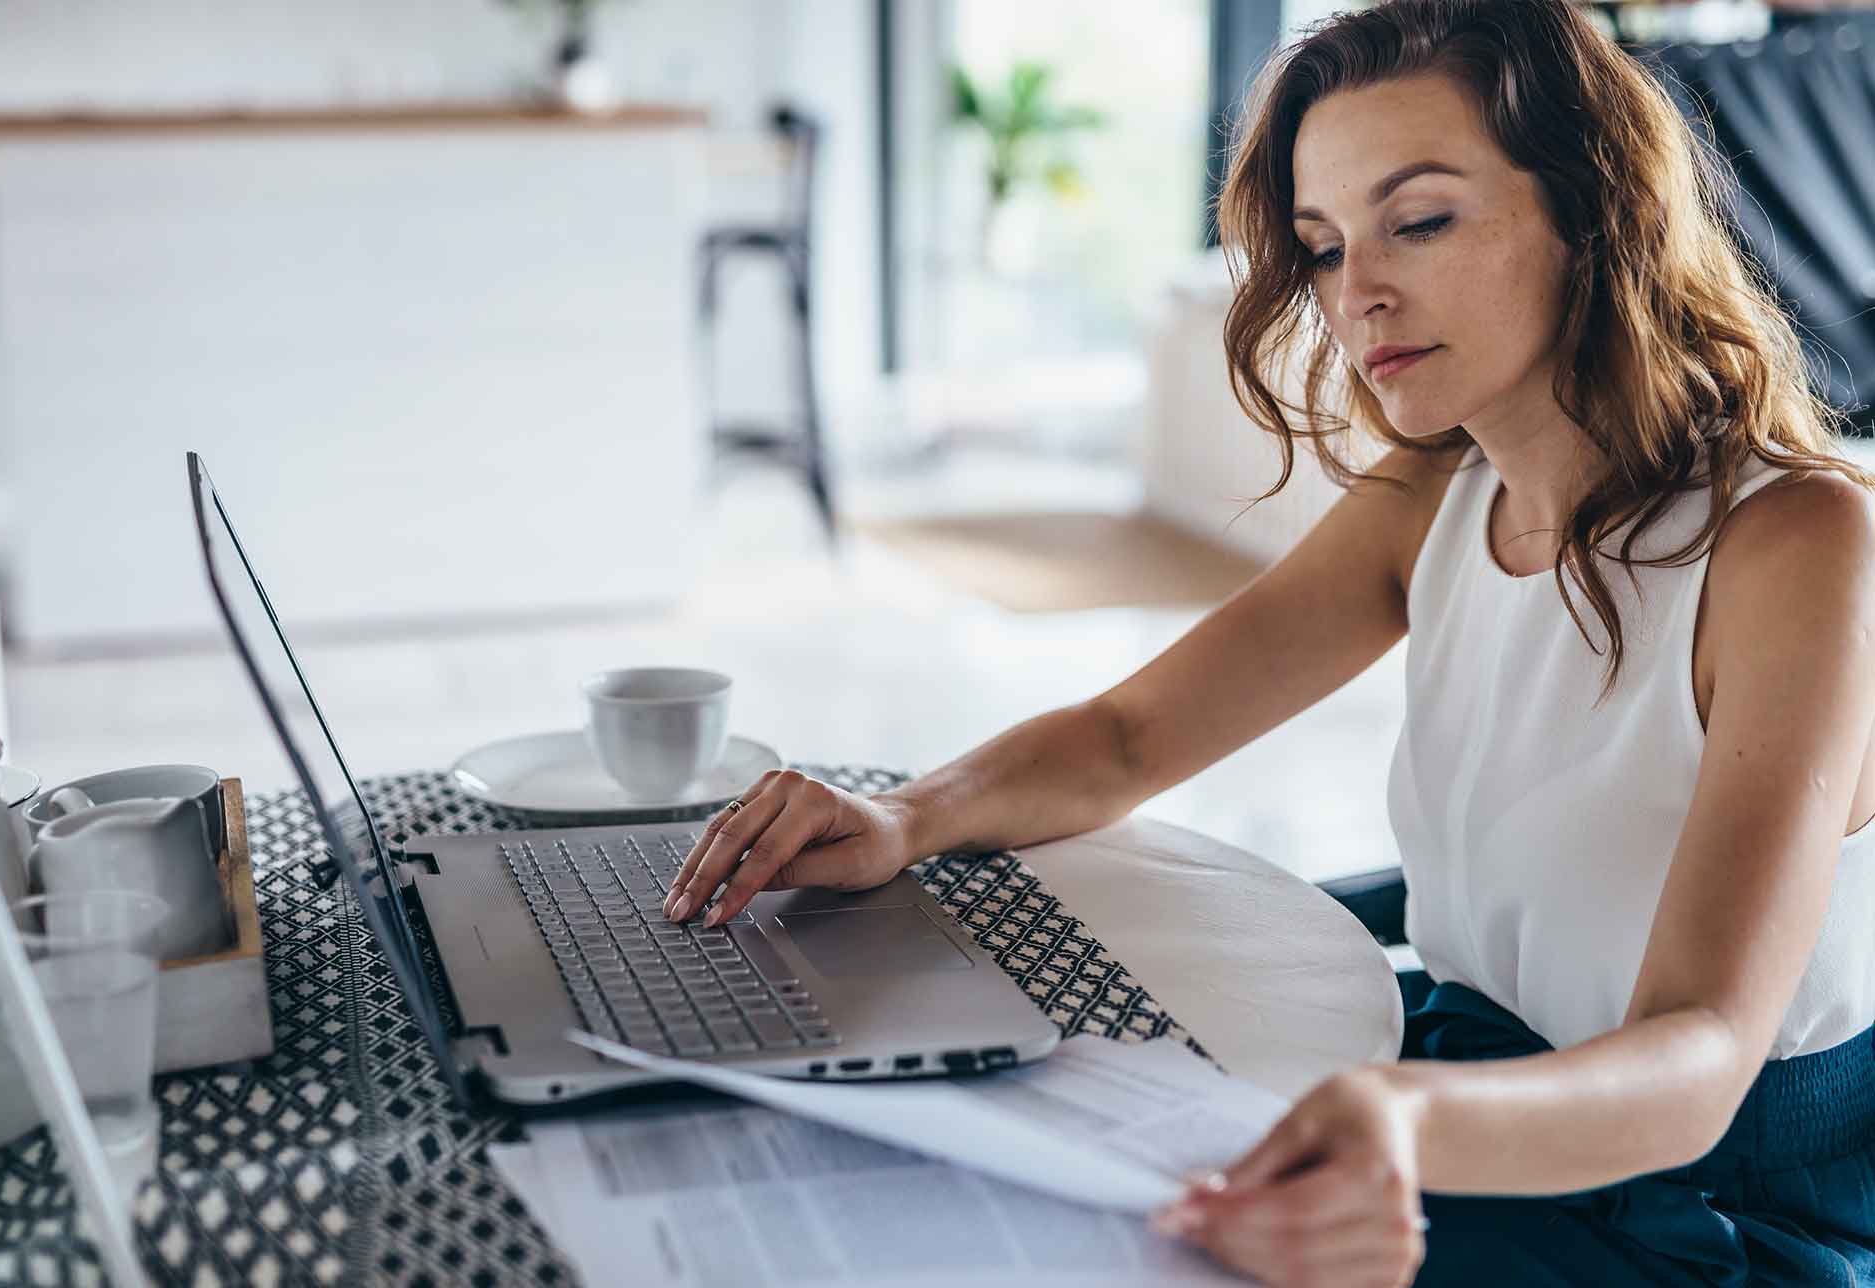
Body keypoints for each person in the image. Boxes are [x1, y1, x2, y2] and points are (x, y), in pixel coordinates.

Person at [664, 1, 1875, 1282]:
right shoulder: (1437, 491)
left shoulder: (1798, 543)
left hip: (1709, 1203)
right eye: (1322, 245)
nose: (1358, 294)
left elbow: (1697, 1059)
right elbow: (1132, 735)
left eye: (1419, 221)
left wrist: (1403, 1120)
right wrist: (903, 816)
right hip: (1462, 1084)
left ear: (1594, 210)